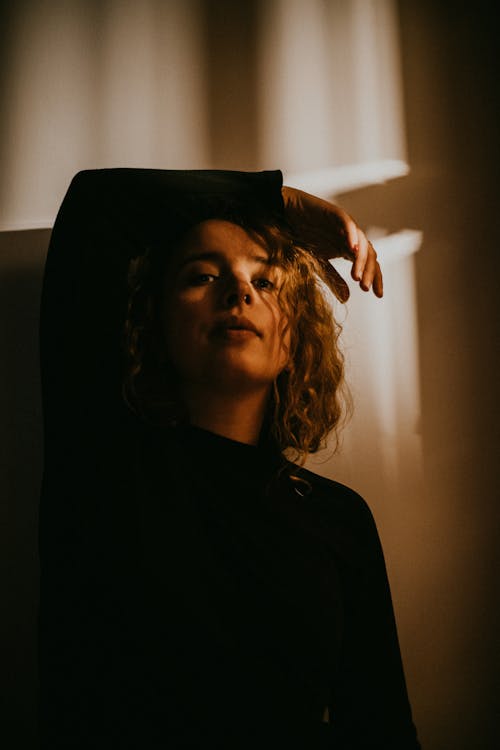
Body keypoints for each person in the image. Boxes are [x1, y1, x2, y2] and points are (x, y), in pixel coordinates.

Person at [38, 168, 420, 748]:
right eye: (203, 275)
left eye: (265, 283)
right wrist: (279, 201)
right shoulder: (109, 461)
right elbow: (98, 201)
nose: (237, 292)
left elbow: (381, 726)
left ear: (292, 339)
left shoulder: (339, 520)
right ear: (156, 325)